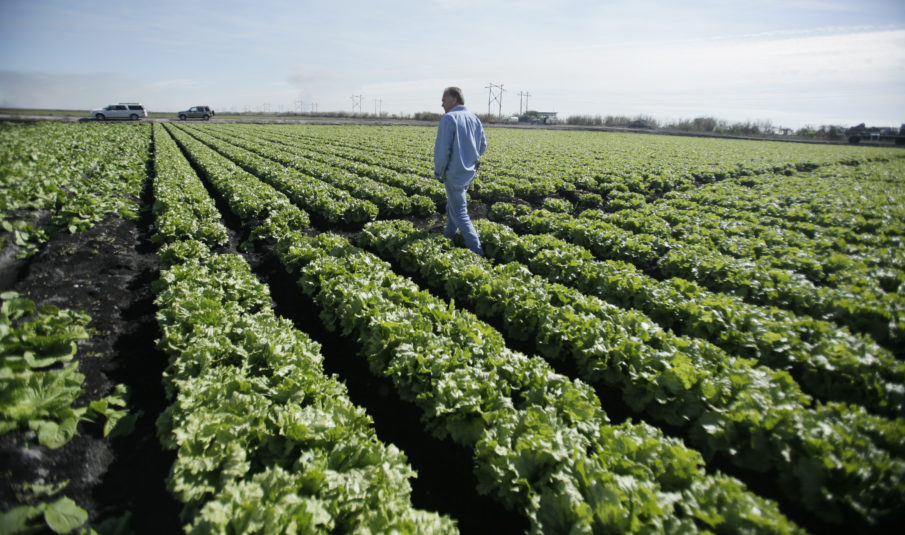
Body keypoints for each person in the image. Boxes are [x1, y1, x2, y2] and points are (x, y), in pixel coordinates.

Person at [434, 86, 487, 256]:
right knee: (453, 205)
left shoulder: (449, 119)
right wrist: (469, 159)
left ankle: (477, 251)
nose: (442, 104)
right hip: (468, 173)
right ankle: (448, 236)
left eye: (444, 100)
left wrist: (439, 171)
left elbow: (443, 151)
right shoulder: (474, 119)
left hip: (454, 174)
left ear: (454, 100)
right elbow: (483, 146)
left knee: (460, 212)